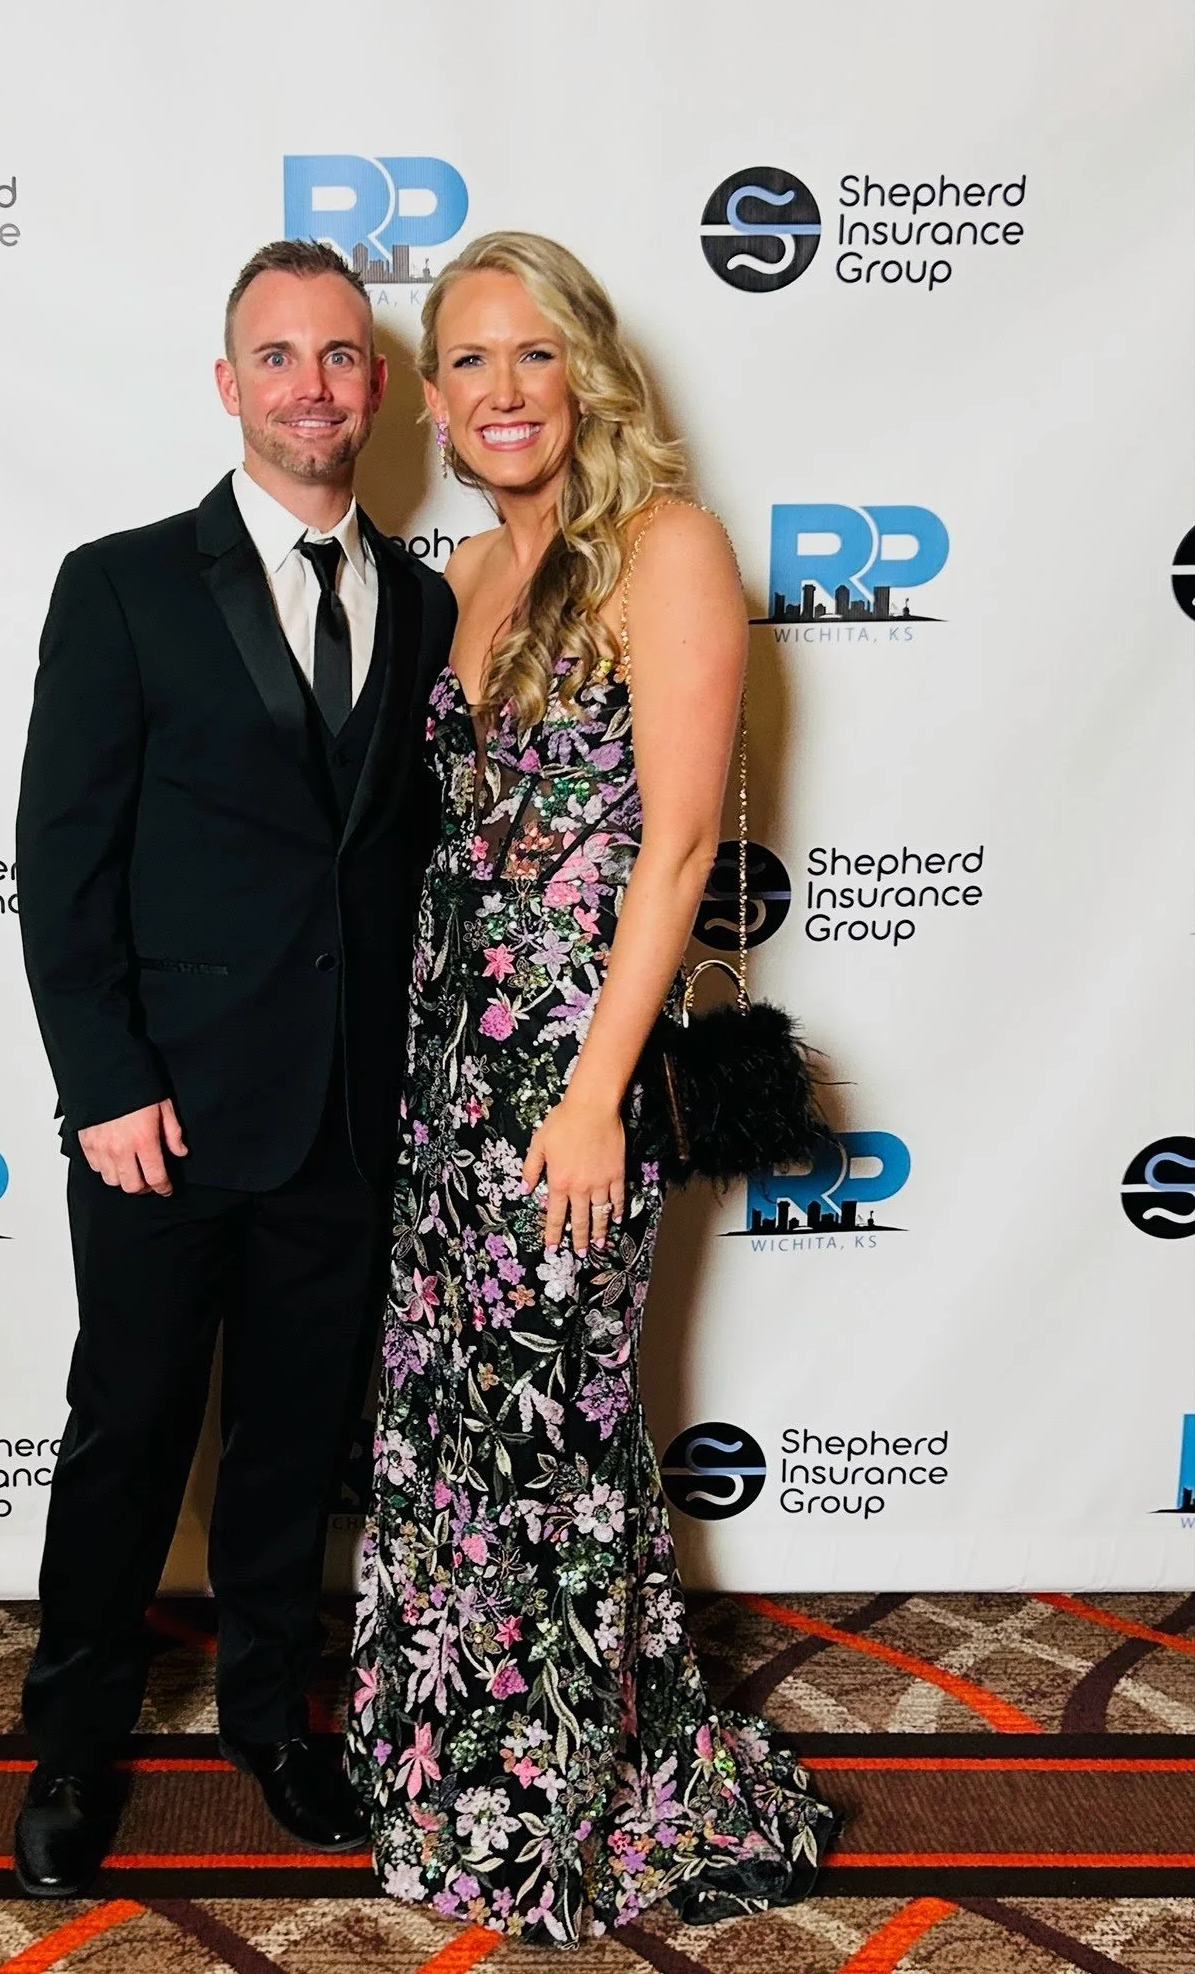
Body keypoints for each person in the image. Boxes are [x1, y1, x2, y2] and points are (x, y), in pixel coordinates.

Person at [344, 233, 837, 1942]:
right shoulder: (469, 576)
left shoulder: (666, 548)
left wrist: (588, 1093)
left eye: (528, 356)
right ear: (433, 395)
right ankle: (449, 1777)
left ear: (585, 374)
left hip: (570, 1066)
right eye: (466, 362)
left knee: (554, 1419)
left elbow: (677, 842)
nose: (496, 392)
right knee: (452, 1415)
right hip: (444, 1059)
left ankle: (575, 1791)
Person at [12, 238, 456, 1896]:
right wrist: (103, 1082)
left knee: (288, 1442)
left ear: (379, 387)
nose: (312, 388)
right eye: (278, 358)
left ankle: (271, 1719)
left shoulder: (421, 600)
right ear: (227, 385)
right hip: (160, 1116)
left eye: (341, 357)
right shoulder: (119, 582)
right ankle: (71, 1743)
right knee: (125, 1433)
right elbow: (62, 860)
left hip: (347, 1110)